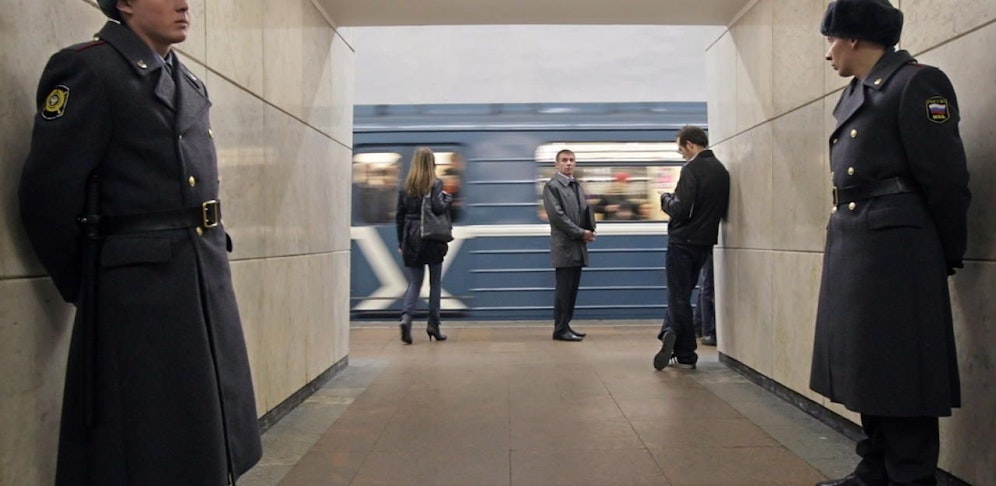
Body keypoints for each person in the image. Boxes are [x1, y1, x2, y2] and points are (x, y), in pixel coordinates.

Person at [17, 0, 262, 483]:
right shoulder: (89, 68)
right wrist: (95, 285)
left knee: (202, 435)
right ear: (125, 3)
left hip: (200, 274)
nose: (184, 4)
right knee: (149, 443)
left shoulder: (185, 79)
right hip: (138, 293)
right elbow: (47, 196)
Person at [810, 1, 971, 485]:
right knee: (870, 365)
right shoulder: (863, 90)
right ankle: (874, 469)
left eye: (832, 40)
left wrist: (941, 251)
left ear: (855, 38)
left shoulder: (916, 82)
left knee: (902, 371)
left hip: (899, 248)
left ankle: (908, 475)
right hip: (861, 243)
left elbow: (946, 178)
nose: (829, 53)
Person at [654, 126, 729, 370]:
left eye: (681, 150)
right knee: (683, 295)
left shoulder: (691, 170)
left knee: (678, 297)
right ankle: (669, 332)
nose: (682, 155)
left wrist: (665, 198)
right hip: (704, 244)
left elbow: (680, 209)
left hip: (682, 243)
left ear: (690, 145)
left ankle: (686, 353)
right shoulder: (721, 171)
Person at [396, 147, 453, 344]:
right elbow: (438, 207)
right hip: (432, 238)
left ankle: (406, 317)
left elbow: (399, 216)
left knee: (414, 283)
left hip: (411, 238)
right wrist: (448, 199)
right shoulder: (435, 183)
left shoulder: (406, 186)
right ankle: (433, 326)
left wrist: (400, 242)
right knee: (434, 283)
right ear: (431, 164)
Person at [542, 149, 597, 341]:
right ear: (556, 165)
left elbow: (584, 210)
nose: (568, 163)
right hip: (564, 247)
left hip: (578, 246)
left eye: (572, 160)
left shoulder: (576, 186)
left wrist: (591, 229)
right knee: (564, 291)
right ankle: (560, 329)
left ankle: (566, 325)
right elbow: (558, 217)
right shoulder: (552, 187)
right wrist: (581, 233)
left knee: (572, 291)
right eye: (564, 160)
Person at [694, 251, 717, 346]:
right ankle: (708, 332)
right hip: (709, 244)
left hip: (703, 245)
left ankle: (698, 326)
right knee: (708, 286)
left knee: (705, 285)